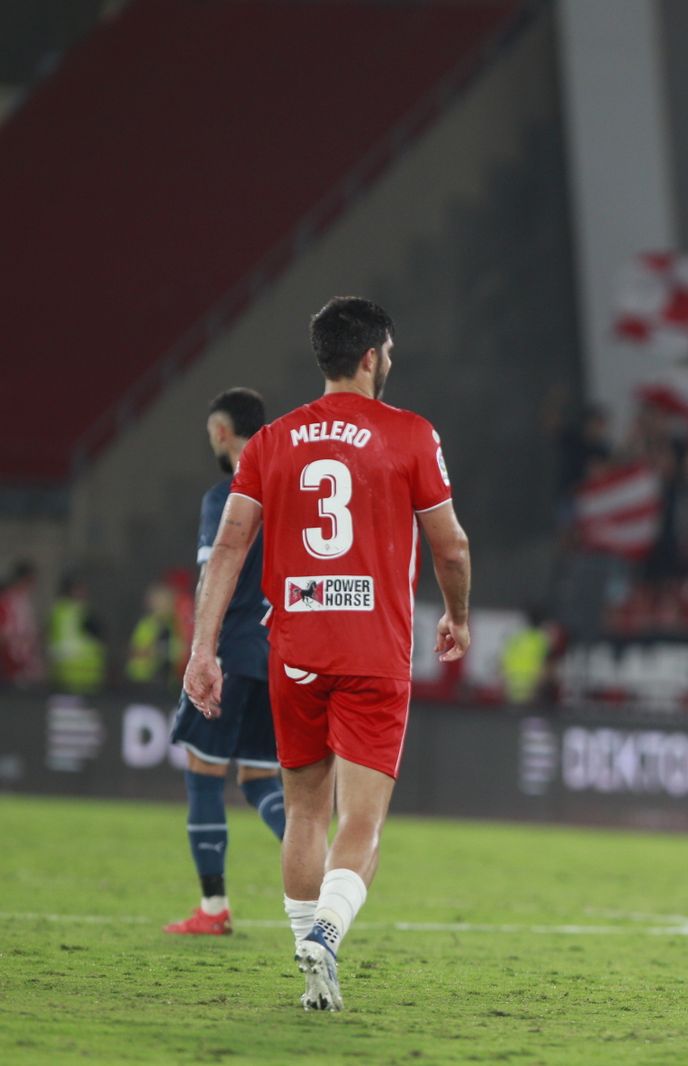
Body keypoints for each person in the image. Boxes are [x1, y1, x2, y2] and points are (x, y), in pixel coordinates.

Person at [182, 297, 472, 1011]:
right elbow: (451, 544)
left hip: (296, 650)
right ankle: (327, 935)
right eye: (390, 353)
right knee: (362, 821)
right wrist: (458, 617)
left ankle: (309, 960)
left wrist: (202, 649)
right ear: (372, 356)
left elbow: (228, 547)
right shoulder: (410, 434)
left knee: (305, 814)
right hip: (374, 650)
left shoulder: (273, 440)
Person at [165, 388, 287, 936]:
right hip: (280, 655)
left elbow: (215, 573)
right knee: (261, 776)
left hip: (232, 652)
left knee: (204, 771)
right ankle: (324, 863)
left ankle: (213, 909)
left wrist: (202, 651)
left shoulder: (227, 495)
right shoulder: (291, 493)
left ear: (220, 432)